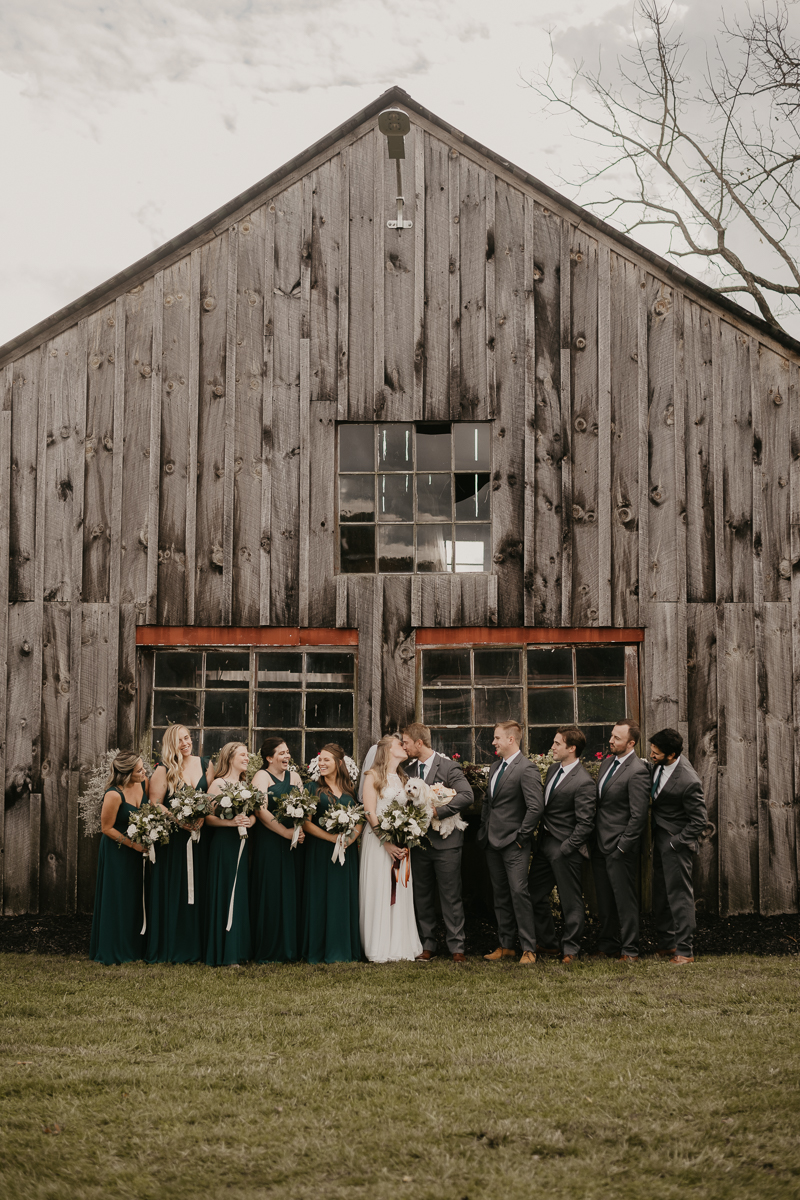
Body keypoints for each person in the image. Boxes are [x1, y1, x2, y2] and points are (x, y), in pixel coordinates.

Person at [401, 723, 473, 963]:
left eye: (406, 742)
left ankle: (457, 947)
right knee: (421, 895)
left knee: (451, 895)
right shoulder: (406, 769)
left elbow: (466, 796)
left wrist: (438, 812)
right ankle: (427, 945)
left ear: (419, 743)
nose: (404, 746)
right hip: (418, 845)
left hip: (446, 845)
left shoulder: (449, 767)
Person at [145, 725, 215, 964]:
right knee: (177, 889)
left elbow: (212, 798)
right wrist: (179, 820)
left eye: (187, 738)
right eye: (179, 740)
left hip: (202, 839)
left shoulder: (206, 764)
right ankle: (175, 946)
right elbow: (155, 802)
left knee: (202, 889)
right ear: (170, 744)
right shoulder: (163, 770)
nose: (185, 743)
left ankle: (200, 947)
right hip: (175, 841)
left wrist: (202, 817)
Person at [478, 721, 543, 965]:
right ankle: (506, 946)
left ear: (511, 740)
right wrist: (484, 831)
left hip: (514, 844)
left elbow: (536, 807)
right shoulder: (496, 767)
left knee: (519, 893)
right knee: (501, 895)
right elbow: (489, 803)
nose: (493, 742)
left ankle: (528, 948)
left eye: (496, 738)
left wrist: (521, 837)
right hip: (492, 843)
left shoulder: (527, 768)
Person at [529, 726, 596, 964]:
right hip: (544, 844)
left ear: (572, 748)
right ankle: (548, 943)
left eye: (557, 744)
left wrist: (567, 847)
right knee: (534, 894)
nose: (552, 747)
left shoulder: (584, 782)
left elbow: (585, 823)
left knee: (570, 900)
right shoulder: (555, 769)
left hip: (565, 849)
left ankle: (571, 949)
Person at [359, 734, 423, 962]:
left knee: (400, 888)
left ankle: (399, 944)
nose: (404, 747)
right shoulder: (373, 776)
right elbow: (369, 812)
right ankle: (378, 945)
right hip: (379, 843)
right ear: (387, 750)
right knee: (382, 887)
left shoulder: (403, 777)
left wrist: (407, 833)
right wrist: (385, 842)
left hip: (401, 842)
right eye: (400, 744)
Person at [592, 720, 650, 962]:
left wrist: (623, 846)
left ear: (631, 743)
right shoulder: (606, 764)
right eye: (612, 736)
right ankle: (608, 945)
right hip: (598, 843)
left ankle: (630, 950)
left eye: (617, 738)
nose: (611, 741)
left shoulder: (638, 771)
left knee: (625, 901)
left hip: (620, 847)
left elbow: (639, 815)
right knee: (604, 900)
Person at [649, 727, 708, 965]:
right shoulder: (658, 766)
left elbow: (700, 822)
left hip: (676, 844)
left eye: (656, 753)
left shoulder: (688, 780)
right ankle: (667, 945)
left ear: (672, 755)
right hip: (659, 839)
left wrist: (676, 842)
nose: (652, 755)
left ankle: (685, 951)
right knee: (661, 894)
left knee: (680, 896)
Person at [302, 743, 363, 963]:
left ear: (339, 763)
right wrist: (331, 839)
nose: (322, 763)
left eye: (326, 760)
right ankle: (319, 950)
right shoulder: (311, 788)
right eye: (320, 760)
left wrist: (349, 839)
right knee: (320, 898)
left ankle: (343, 949)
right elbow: (306, 824)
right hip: (320, 851)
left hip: (346, 852)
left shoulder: (350, 789)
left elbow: (359, 819)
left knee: (342, 898)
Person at [89, 752, 149, 965]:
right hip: (118, 850)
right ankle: (113, 949)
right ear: (125, 774)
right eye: (139, 770)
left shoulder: (143, 783)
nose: (144, 772)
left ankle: (135, 947)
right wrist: (133, 845)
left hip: (139, 849)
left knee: (135, 896)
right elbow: (106, 828)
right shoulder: (114, 794)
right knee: (118, 896)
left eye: (143, 768)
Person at [250, 736, 305, 963]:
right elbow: (261, 810)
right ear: (269, 757)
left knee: (292, 891)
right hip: (270, 841)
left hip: (294, 843)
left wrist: (298, 829)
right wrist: (284, 832)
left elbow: (304, 805)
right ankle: (269, 948)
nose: (287, 756)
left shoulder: (295, 776)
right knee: (271, 891)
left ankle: (291, 948)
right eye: (281, 753)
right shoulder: (262, 776)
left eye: (288, 752)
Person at [203, 742, 255, 966]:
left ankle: (239, 949)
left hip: (243, 844)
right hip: (224, 844)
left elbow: (252, 814)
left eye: (247, 755)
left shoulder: (245, 783)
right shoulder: (217, 784)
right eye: (243, 754)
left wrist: (248, 821)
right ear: (230, 757)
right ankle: (225, 951)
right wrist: (231, 822)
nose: (247, 758)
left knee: (240, 893)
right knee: (225, 890)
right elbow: (207, 818)